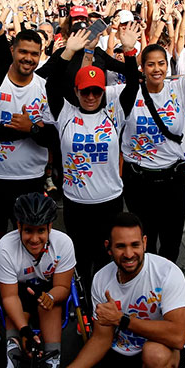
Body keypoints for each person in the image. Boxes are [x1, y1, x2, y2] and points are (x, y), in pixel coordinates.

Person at [41, 212, 185, 368]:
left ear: (144, 242)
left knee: (154, 355)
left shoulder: (167, 273)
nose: (129, 253)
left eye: (134, 245)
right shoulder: (101, 279)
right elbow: (101, 339)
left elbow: (177, 335)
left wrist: (122, 320)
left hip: (163, 349)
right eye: (120, 246)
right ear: (108, 248)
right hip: (121, 350)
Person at [120, 0, 185, 263]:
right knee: (144, 246)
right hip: (138, 181)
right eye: (150, 64)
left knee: (171, 243)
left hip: (172, 181)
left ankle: (167, 297)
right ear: (143, 67)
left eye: (161, 63)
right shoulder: (128, 94)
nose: (157, 69)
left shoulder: (179, 90)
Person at [45, 24, 139, 288]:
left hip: (109, 202)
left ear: (103, 92)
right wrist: (68, 52)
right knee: (81, 261)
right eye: (84, 91)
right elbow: (51, 83)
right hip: (75, 204)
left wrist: (129, 51)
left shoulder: (114, 113)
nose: (90, 96)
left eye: (96, 91)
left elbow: (132, 84)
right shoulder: (64, 114)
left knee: (107, 260)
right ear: (75, 91)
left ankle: (106, 308)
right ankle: (85, 310)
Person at [0, 0, 57, 238]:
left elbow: (52, 138)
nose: (28, 58)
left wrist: (34, 130)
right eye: (23, 52)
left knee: (30, 239)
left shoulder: (45, 87)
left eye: (34, 54)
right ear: (12, 51)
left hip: (31, 179)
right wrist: (24, 129)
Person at [0, 193, 76, 368]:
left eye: (41, 231)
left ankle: (51, 363)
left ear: (50, 227)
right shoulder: (5, 247)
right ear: (19, 226)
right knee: (19, 302)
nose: (35, 238)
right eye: (28, 231)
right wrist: (25, 330)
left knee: (49, 305)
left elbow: (64, 287)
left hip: (50, 290)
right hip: (19, 291)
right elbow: (9, 297)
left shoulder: (63, 243)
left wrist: (51, 296)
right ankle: (12, 361)